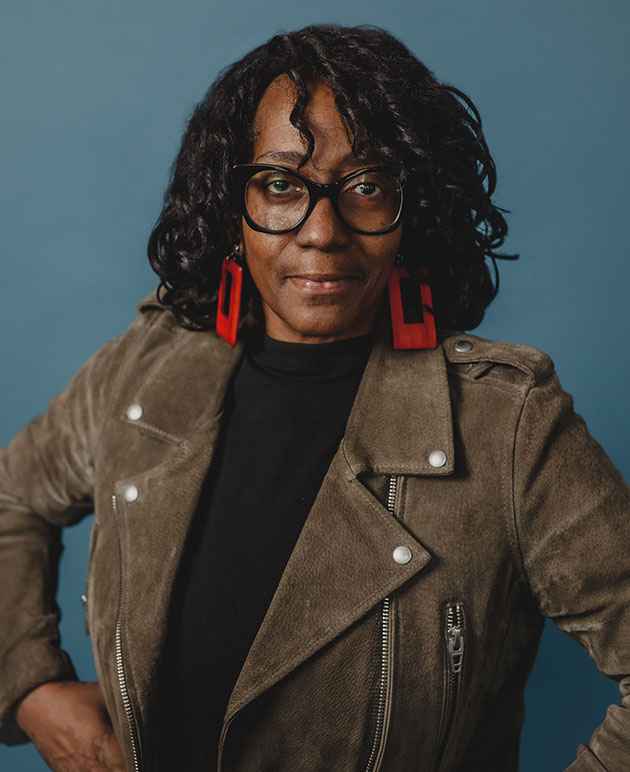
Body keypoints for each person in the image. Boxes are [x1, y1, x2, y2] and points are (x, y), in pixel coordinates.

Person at [1, 21, 628, 772]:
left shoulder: (508, 423)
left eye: (366, 186)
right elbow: (12, 500)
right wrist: (29, 685)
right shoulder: (147, 367)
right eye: (280, 185)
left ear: (413, 209)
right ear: (230, 206)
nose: (322, 232)